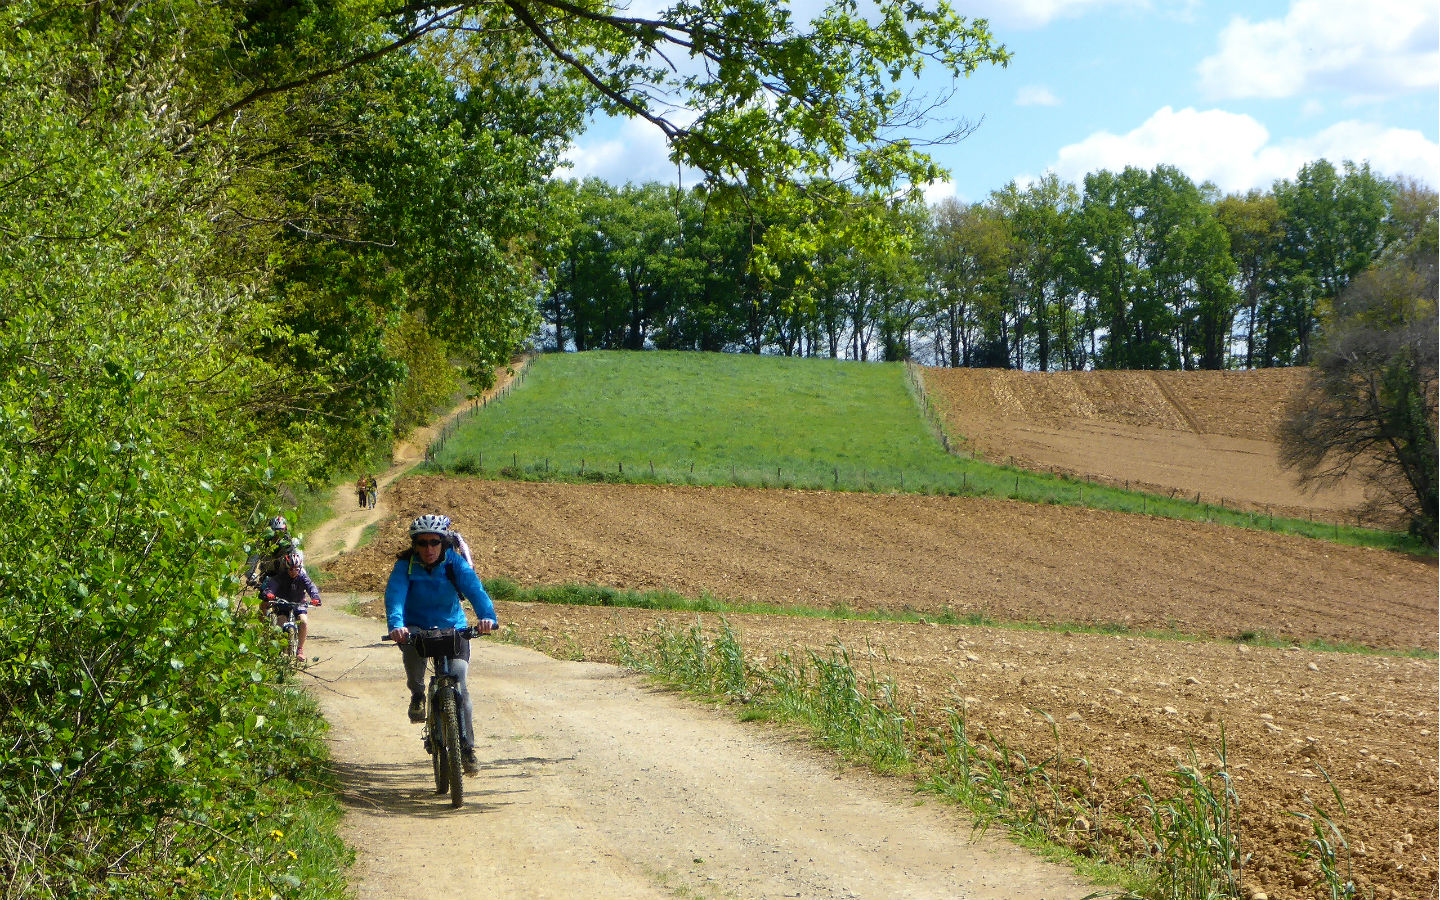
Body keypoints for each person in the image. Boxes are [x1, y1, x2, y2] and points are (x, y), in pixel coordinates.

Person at [385, 514, 497, 775]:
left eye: (434, 542)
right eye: (422, 543)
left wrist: (487, 617)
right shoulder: (405, 566)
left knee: (460, 683)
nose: (429, 549)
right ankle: (417, 694)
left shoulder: (454, 562)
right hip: (416, 627)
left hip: (453, 627)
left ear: (443, 542)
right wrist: (396, 625)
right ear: (415, 545)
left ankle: (467, 749)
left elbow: (475, 590)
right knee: (413, 659)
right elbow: (395, 596)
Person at [259, 550, 322, 661]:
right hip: (282, 605)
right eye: (291, 569)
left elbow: (311, 587)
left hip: (299, 604)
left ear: (300, 568)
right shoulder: (280, 577)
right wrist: (269, 593)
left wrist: (315, 597)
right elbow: (272, 586)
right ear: (286, 568)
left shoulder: (302, 577)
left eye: (296, 569)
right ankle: (278, 650)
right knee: (280, 624)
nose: (293, 572)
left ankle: (300, 649)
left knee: (303, 621)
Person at [245, 515, 303, 587]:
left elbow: (299, 561)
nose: (277, 535)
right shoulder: (261, 542)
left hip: (287, 575)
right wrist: (251, 576)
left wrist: (301, 577)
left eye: (280, 531)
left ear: (285, 530)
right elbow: (252, 561)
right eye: (274, 531)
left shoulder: (292, 543)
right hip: (267, 577)